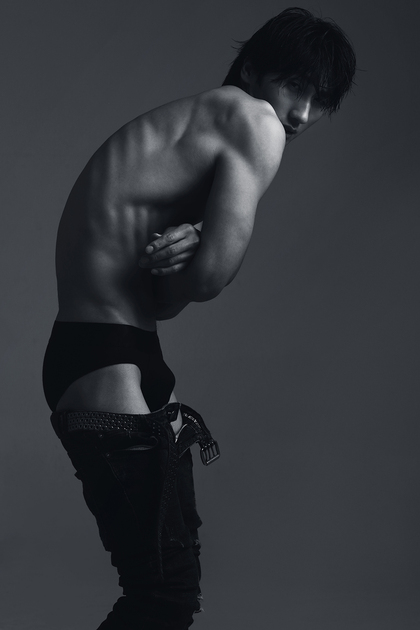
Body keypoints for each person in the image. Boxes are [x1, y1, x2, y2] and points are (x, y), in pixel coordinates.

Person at [43, 7, 356, 629]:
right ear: (252, 70)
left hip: (109, 349)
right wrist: (207, 241)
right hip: (109, 360)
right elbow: (211, 281)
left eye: (320, 100)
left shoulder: (196, 129)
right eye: (295, 86)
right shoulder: (252, 120)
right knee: (162, 595)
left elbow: (164, 300)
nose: (300, 114)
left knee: (170, 590)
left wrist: (191, 238)